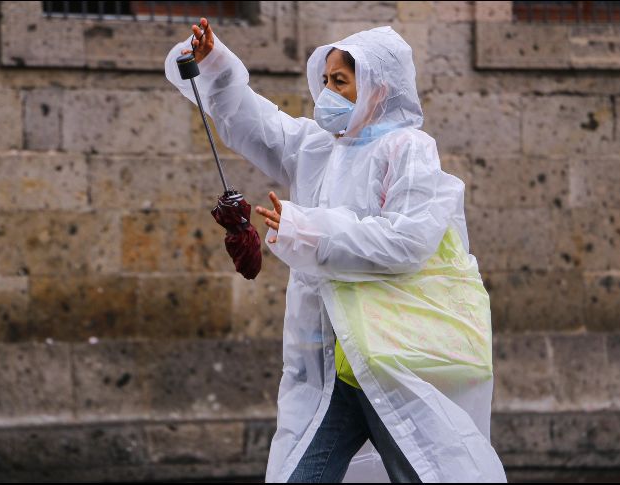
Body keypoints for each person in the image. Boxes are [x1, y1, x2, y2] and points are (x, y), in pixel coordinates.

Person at [165, 18, 506, 483]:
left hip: (391, 360)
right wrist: (214, 64)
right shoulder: (316, 147)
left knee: (428, 471)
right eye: (324, 80)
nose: (326, 91)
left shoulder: (408, 150)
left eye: (339, 81)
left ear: (376, 90)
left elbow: (406, 241)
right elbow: (253, 122)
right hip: (326, 366)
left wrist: (306, 229)